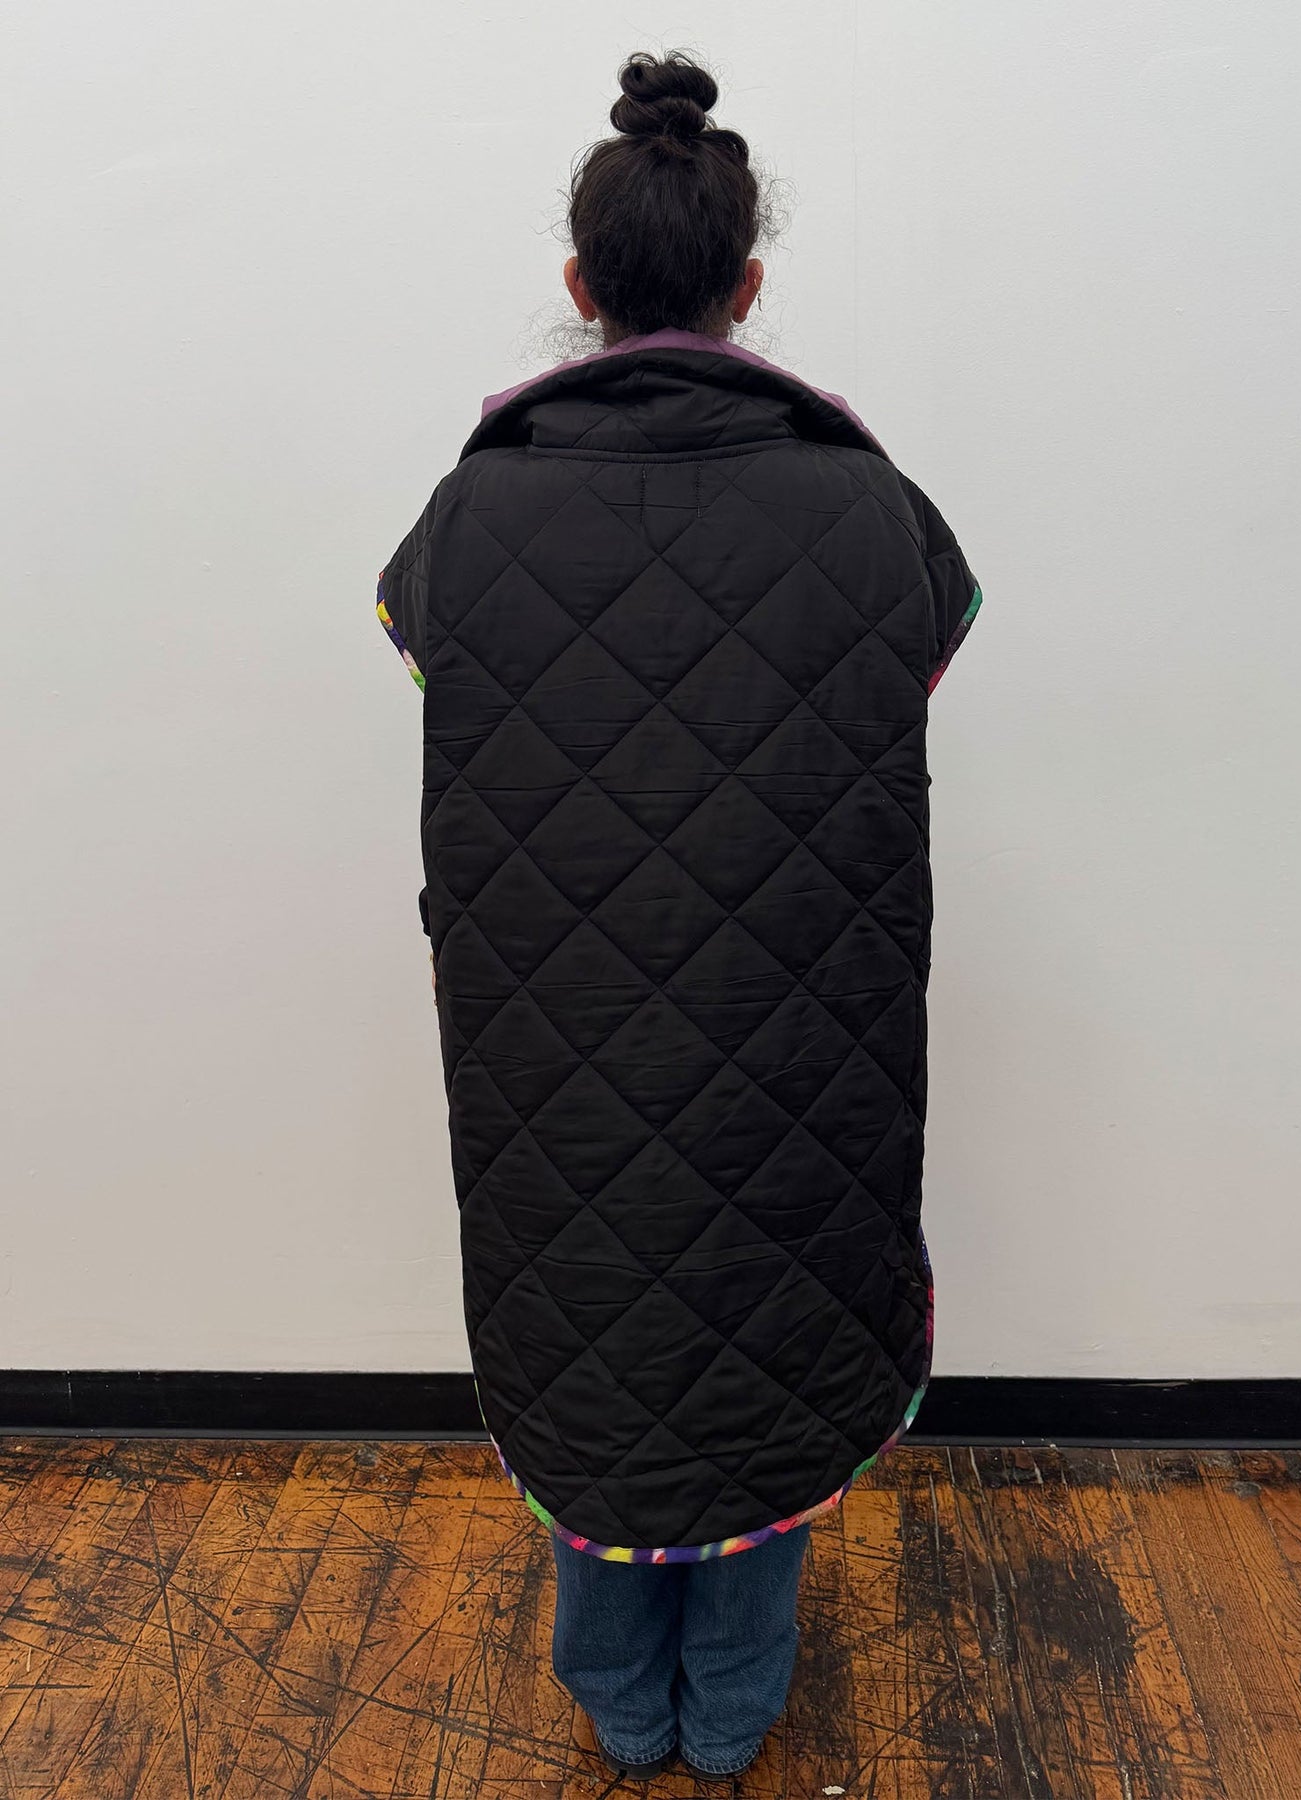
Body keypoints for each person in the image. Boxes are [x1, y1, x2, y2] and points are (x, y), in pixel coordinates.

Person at [375, 47, 982, 1785]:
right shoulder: (865, 505)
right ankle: (731, 1707)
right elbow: (932, 642)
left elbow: (420, 648)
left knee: (596, 1328)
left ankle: (618, 1705)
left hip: (551, 1036)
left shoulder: (471, 512)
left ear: (580, 286)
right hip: (799, 1028)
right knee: (765, 1317)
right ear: (748, 284)